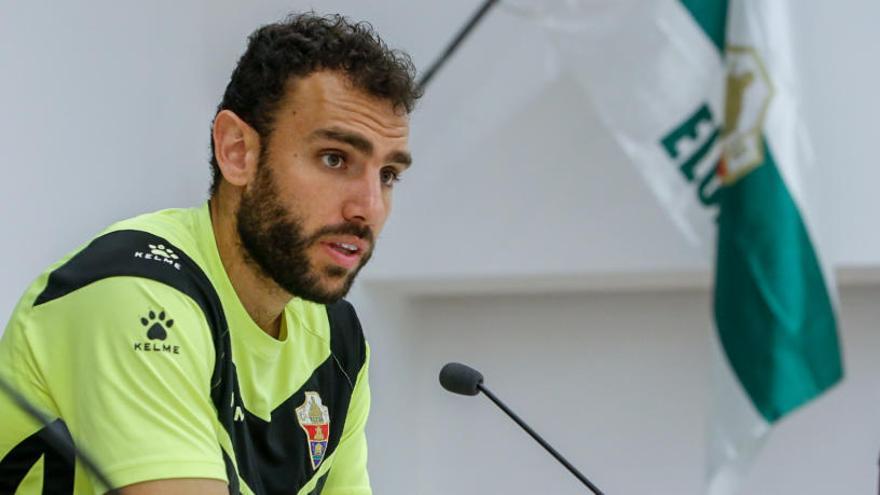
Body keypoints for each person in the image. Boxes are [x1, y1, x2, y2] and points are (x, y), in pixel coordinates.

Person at [0, 12, 420, 495]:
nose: (367, 207)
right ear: (237, 151)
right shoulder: (135, 291)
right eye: (334, 159)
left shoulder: (336, 343)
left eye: (387, 174)